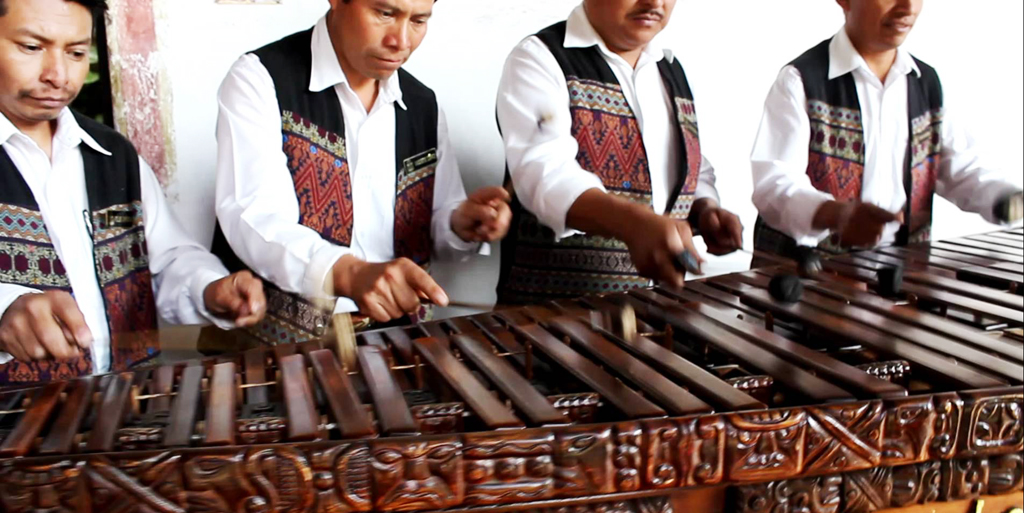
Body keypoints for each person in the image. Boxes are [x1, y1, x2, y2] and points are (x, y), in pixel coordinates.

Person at [213, 0, 512, 344]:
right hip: (283, 352)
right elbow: (255, 217)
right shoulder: (260, 79)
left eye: (418, 20)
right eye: (385, 14)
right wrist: (350, 273)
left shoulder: (422, 105)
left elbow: (435, 222)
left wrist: (461, 225)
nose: (401, 41)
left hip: (400, 343)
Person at [0, 0, 266, 385]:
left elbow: (166, 258)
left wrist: (209, 288)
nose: (58, 75)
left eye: (76, 53)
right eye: (31, 48)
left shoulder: (113, 155)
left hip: (125, 403)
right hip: (15, 428)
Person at [494, 0, 744, 305]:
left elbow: (690, 165)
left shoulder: (670, 70)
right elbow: (546, 176)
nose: (654, 2)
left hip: (658, 315)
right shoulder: (539, 59)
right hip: (555, 327)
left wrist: (705, 209)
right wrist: (634, 223)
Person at [750, 0, 1023, 260]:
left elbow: (960, 168)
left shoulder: (925, 83)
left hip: (902, 272)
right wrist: (836, 215)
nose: (908, 8)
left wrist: (1010, 199)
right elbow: (775, 185)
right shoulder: (800, 81)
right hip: (810, 279)